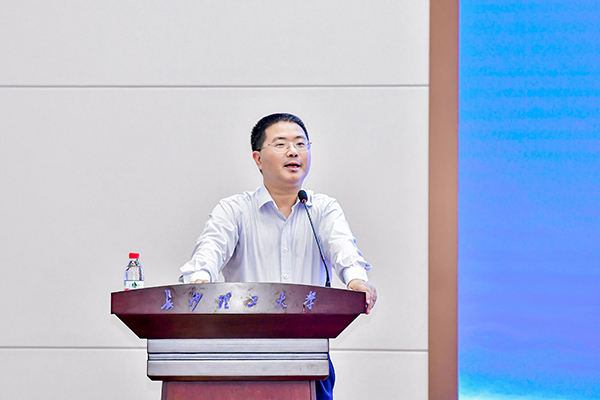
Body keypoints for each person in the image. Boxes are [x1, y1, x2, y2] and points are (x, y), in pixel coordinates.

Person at [180, 113, 377, 399]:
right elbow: (209, 251)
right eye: (281, 144)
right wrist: (199, 279)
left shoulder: (323, 209)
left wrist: (357, 280)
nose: (293, 151)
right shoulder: (234, 210)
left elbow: (343, 248)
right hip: (242, 357)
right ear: (258, 159)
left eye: (301, 144)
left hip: (310, 357)